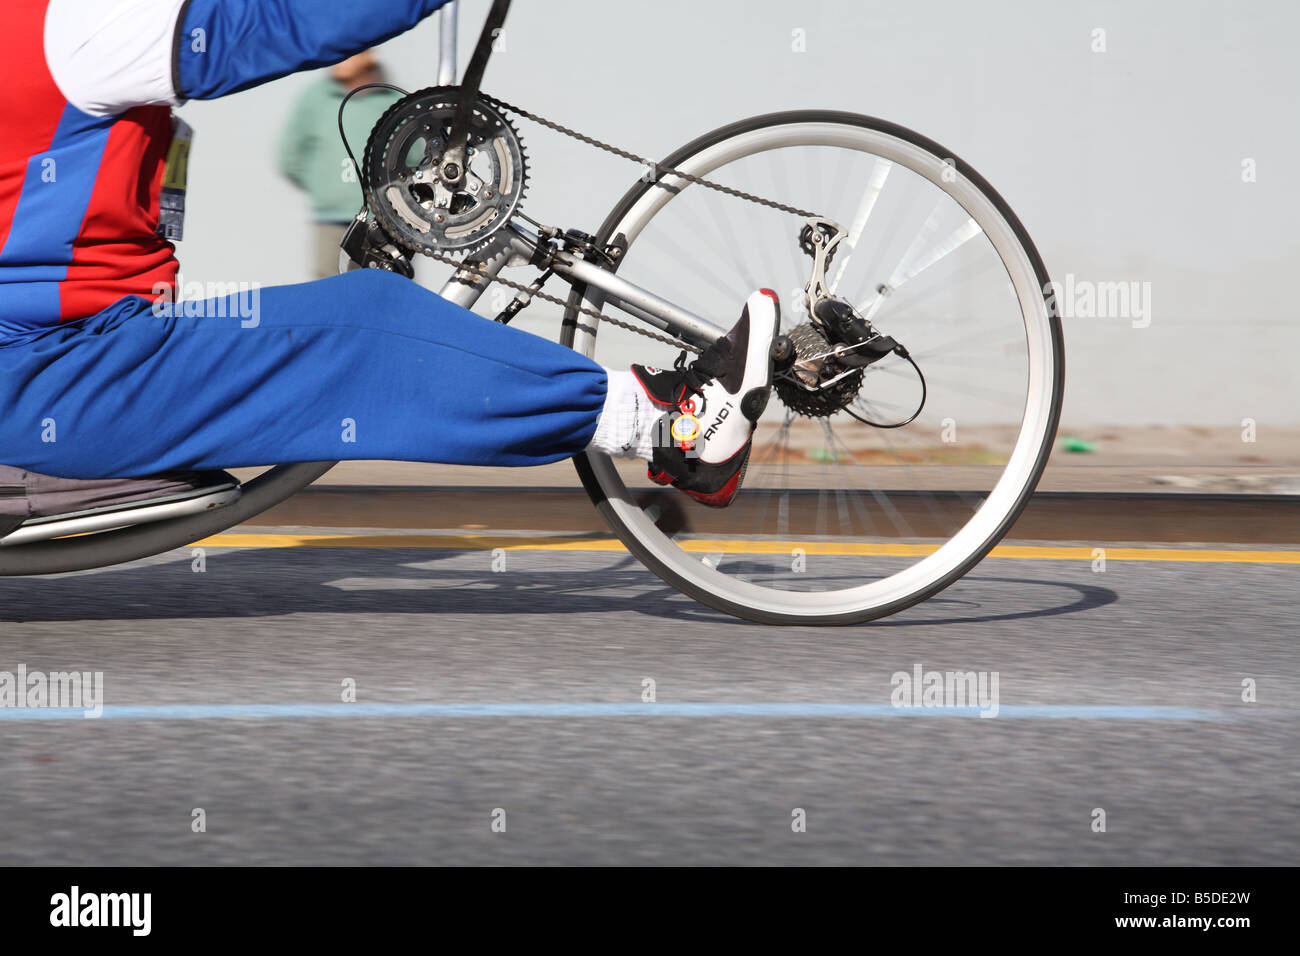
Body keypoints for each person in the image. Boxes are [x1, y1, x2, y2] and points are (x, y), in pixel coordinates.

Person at [0, 0, 776, 538]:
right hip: (58, 367)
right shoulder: (69, 27)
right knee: (363, 325)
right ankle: (674, 428)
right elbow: (280, 20)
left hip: (69, 350)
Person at [278, 50, 403, 280]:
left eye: (351, 52)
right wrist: (326, 189)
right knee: (327, 298)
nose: (339, 59)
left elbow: (415, 159)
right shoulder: (315, 98)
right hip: (330, 224)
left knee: (385, 296)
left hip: (384, 225)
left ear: (369, 56)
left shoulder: (392, 100)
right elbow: (289, 158)